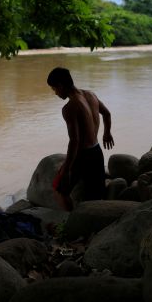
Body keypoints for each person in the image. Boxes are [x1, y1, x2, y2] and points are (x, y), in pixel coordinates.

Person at [47, 67, 114, 211]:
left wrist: (66, 168)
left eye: (54, 89)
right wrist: (107, 133)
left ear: (60, 85)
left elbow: (75, 141)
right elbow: (107, 114)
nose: (55, 93)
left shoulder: (69, 108)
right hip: (97, 152)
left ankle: (70, 222)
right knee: (97, 196)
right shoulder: (91, 95)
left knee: (59, 189)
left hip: (82, 156)